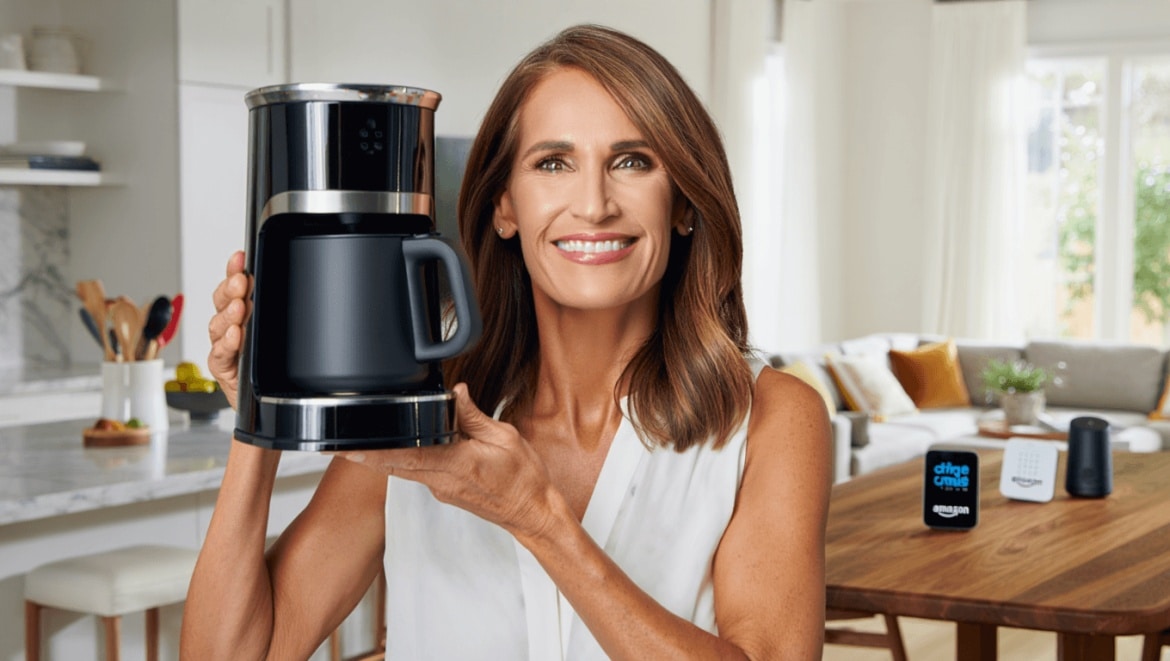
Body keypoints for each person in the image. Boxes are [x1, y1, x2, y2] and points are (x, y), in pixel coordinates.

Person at [181, 24, 832, 660]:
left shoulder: (773, 418)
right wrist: (260, 407)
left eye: (632, 161)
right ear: (505, 207)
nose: (594, 204)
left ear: (683, 203)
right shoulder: (412, 410)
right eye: (553, 163)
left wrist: (540, 520)